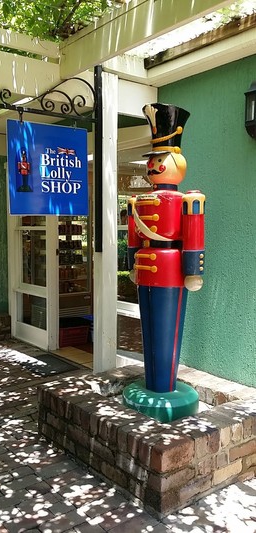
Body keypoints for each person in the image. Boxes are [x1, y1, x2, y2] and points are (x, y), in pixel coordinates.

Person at [124, 102, 205, 421]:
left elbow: (194, 234)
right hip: (145, 267)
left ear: (177, 162)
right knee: (149, 326)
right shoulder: (138, 200)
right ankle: (153, 381)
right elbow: (133, 234)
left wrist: (193, 271)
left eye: (162, 159)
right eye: (154, 160)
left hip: (172, 269)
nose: (156, 165)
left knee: (168, 328)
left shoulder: (189, 200)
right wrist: (131, 262)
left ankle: (164, 385)